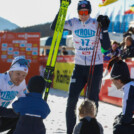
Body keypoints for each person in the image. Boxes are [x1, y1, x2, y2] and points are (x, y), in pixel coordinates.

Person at [51, 0, 111, 133]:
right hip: (78, 67)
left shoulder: (96, 24)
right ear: (77, 12)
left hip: (95, 66)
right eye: (81, 12)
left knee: (92, 101)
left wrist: (105, 29)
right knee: (71, 100)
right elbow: (55, 27)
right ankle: (70, 131)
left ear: (90, 12)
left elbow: (106, 47)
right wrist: (62, 8)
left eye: (86, 12)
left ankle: (91, 129)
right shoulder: (73, 23)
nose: (83, 15)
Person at [0, 56, 30, 134]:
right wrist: (15, 112)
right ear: (11, 71)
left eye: (23, 76)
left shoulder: (21, 83)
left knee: (24, 119)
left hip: (2, 115)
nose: (20, 78)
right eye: (18, 73)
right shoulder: (1, 80)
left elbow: (25, 102)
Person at [109, 60, 134, 134]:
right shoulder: (131, 85)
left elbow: (126, 118)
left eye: (112, 80)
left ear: (118, 80)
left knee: (117, 128)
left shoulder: (129, 88)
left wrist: (118, 120)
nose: (112, 83)